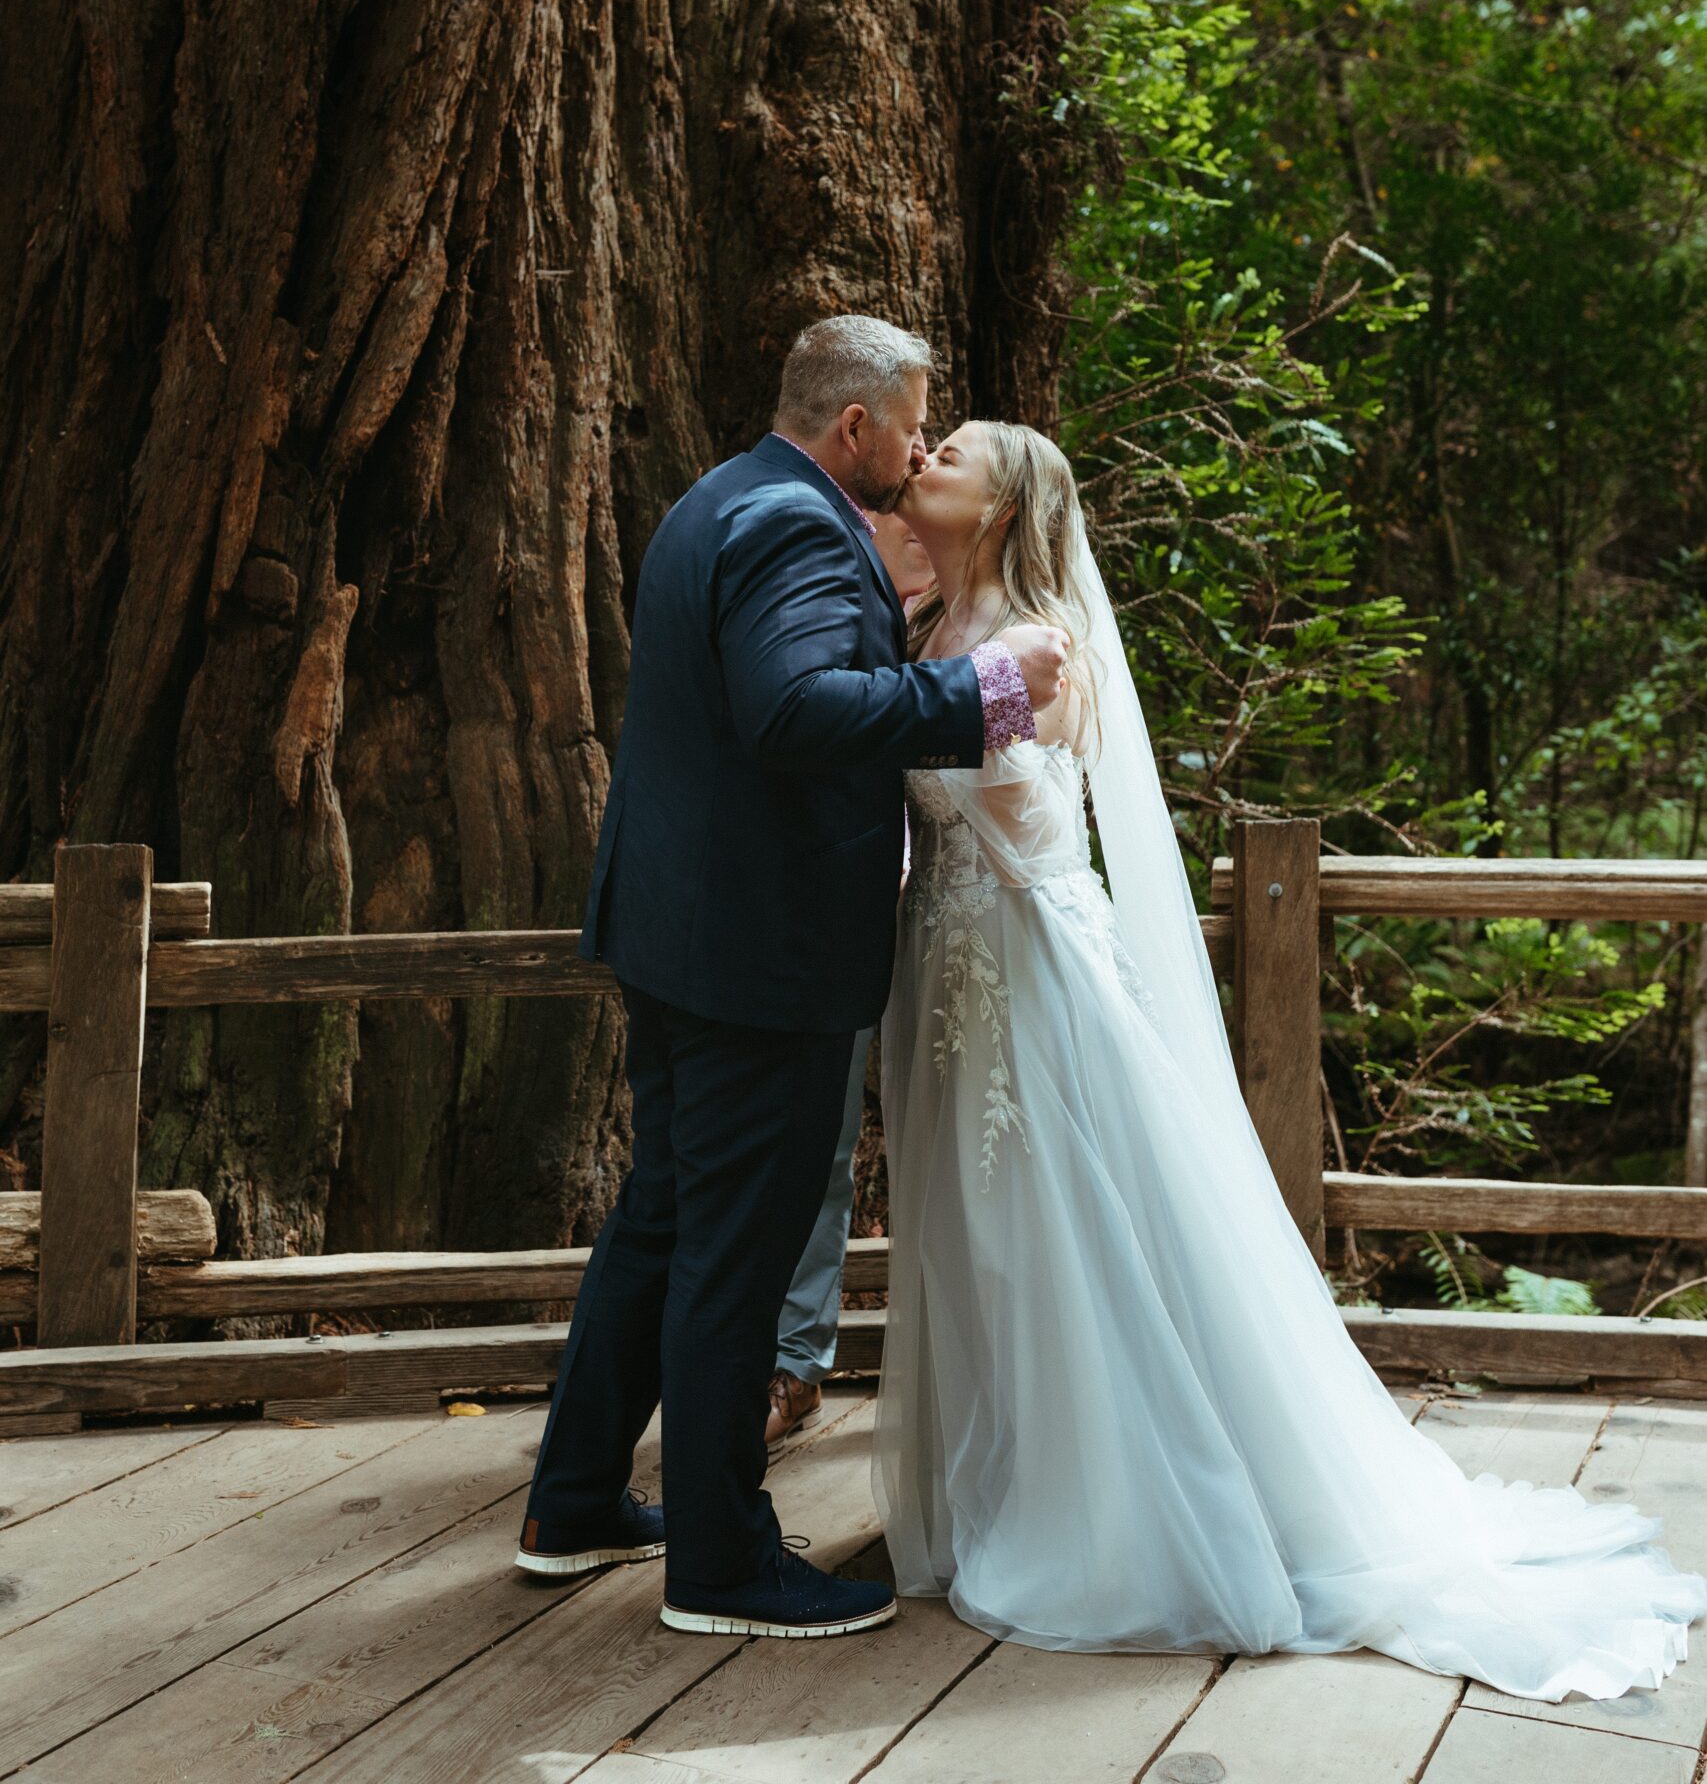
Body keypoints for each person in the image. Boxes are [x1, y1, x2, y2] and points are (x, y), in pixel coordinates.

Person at [876, 417, 1707, 1701]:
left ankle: (1108, 1515)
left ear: (1001, 506)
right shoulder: (932, 627)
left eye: (959, 450)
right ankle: (1000, 1480)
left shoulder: (1042, 649)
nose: (930, 453)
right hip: (950, 972)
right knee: (974, 1231)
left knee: (1050, 1231)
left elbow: (1033, 817)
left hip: (1033, 978)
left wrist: (941, 754)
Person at [514, 320, 1068, 1641]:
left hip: (682, 935)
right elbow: (790, 709)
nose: (923, 442)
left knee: (662, 1217)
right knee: (731, 1254)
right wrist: (986, 689)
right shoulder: (801, 528)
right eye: (914, 419)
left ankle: (574, 1500)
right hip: (753, 958)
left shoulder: (724, 496)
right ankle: (721, 1561)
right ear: (855, 428)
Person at [764, 513, 934, 1450]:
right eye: (889, 516)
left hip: (961, 935)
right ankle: (791, 1365)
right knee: (816, 1147)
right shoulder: (835, 617)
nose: (903, 526)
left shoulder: (989, 639)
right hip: (832, 936)